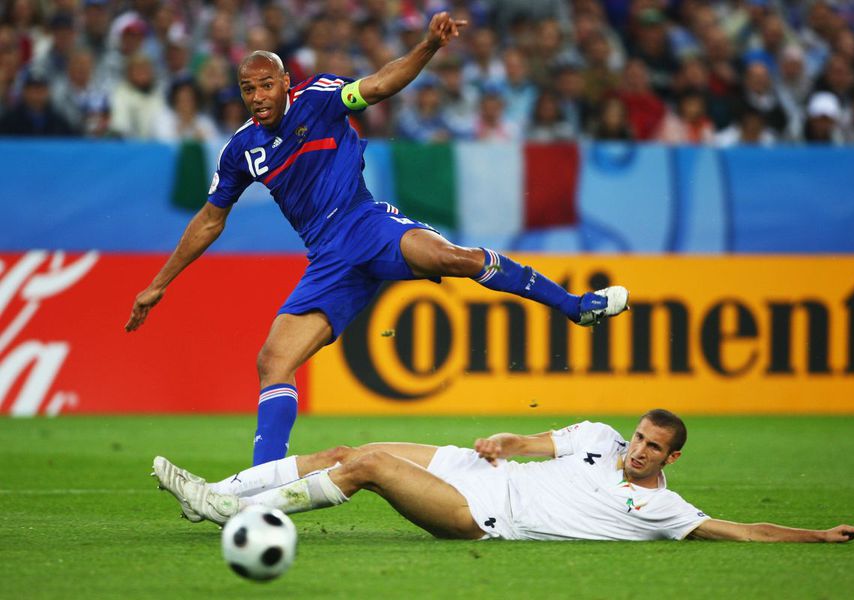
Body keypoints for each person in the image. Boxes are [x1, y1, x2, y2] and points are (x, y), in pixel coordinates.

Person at [126, 12, 630, 467]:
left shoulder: (320, 97)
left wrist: (428, 46)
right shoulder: (241, 150)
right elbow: (211, 219)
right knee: (272, 362)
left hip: (364, 224)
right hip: (327, 259)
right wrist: (159, 283)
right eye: (246, 89)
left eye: (264, 85)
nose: (256, 97)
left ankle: (575, 306)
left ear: (284, 82)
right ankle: (264, 480)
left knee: (451, 257)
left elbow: (381, 83)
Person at [152, 409, 854, 543]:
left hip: (485, 517)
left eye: (654, 449)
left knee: (367, 468)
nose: (640, 452)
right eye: (640, 439)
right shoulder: (598, 437)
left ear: (671, 459)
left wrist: (816, 534)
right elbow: (532, 440)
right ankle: (219, 494)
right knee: (347, 448)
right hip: (477, 469)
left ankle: (228, 516)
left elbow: (741, 530)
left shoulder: (663, 509)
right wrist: (505, 438)